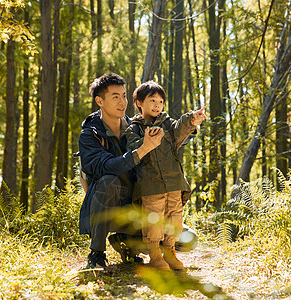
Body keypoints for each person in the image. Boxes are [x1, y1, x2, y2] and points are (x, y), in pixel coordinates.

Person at [78, 73, 165, 269]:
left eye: (124, 96)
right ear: (100, 101)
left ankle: (125, 242)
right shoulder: (89, 134)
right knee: (108, 181)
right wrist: (143, 149)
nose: (122, 102)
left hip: (136, 204)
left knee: (183, 240)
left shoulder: (135, 127)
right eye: (115, 96)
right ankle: (97, 253)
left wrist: (190, 126)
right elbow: (106, 167)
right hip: (105, 207)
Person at [125, 80, 206, 271]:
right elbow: (132, 150)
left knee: (174, 217)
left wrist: (192, 119)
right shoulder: (133, 128)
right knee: (153, 219)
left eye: (160, 101)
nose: (157, 105)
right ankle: (154, 255)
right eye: (152, 100)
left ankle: (170, 252)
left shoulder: (168, 124)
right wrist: (146, 141)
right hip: (150, 185)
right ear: (139, 103)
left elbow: (180, 130)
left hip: (174, 182)